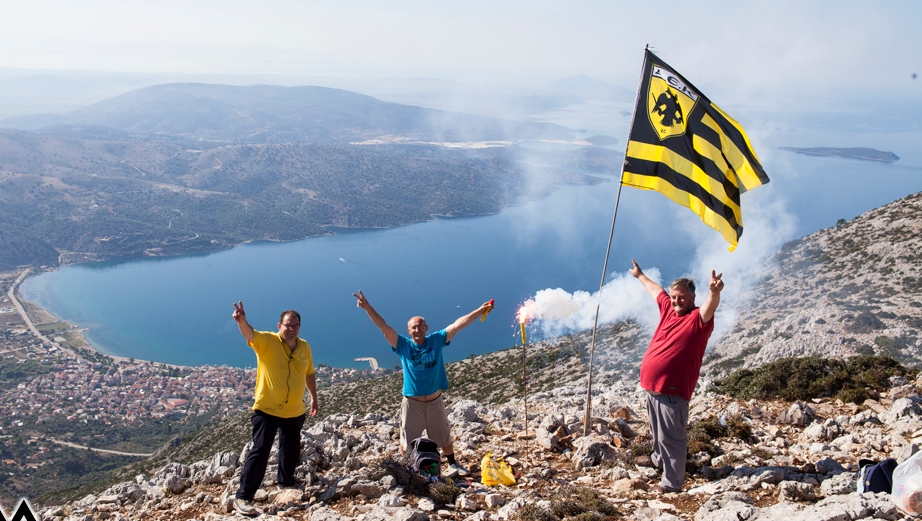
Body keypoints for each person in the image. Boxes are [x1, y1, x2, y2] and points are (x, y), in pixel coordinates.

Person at [352, 290, 492, 476]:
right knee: (407, 441)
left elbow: (458, 325)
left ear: (426, 327)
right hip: (412, 403)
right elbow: (383, 327)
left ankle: (452, 464)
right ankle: (408, 470)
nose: (417, 330)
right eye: (413, 328)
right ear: (409, 331)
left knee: (444, 436)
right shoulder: (402, 345)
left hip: (435, 401)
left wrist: (479, 310)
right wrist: (367, 307)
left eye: (420, 327)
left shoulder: (436, 340)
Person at [629, 259, 723, 494]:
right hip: (652, 389)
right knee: (658, 433)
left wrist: (713, 292)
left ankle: (671, 484)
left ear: (692, 298)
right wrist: (640, 275)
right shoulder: (668, 308)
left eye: (681, 297)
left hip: (672, 393)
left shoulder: (697, 321)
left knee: (672, 438)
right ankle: (658, 460)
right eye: (674, 296)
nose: (676, 301)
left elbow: (709, 308)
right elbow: (656, 291)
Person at [231, 302, 319, 516]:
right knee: (260, 451)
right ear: (279, 325)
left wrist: (314, 398)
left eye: (296, 325)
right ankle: (243, 497)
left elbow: (309, 373)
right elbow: (250, 334)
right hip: (267, 409)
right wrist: (242, 321)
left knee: (290, 449)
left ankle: (286, 483)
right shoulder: (268, 341)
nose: (292, 329)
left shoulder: (304, 346)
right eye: (288, 325)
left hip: (294, 410)